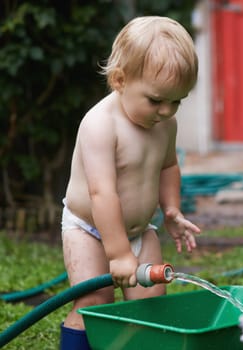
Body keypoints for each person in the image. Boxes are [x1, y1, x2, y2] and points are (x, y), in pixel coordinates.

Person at [59, 16, 200, 349]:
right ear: (121, 80)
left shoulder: (165, 124)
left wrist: (171, 209)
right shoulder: (100, 125)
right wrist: (119, 254)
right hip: (89, 230)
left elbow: (168, 166)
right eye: (156, 100)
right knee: (95, 302)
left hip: (139, 230)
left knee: (150, 304)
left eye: (176, 101)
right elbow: (101, 193)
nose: (166, 111)